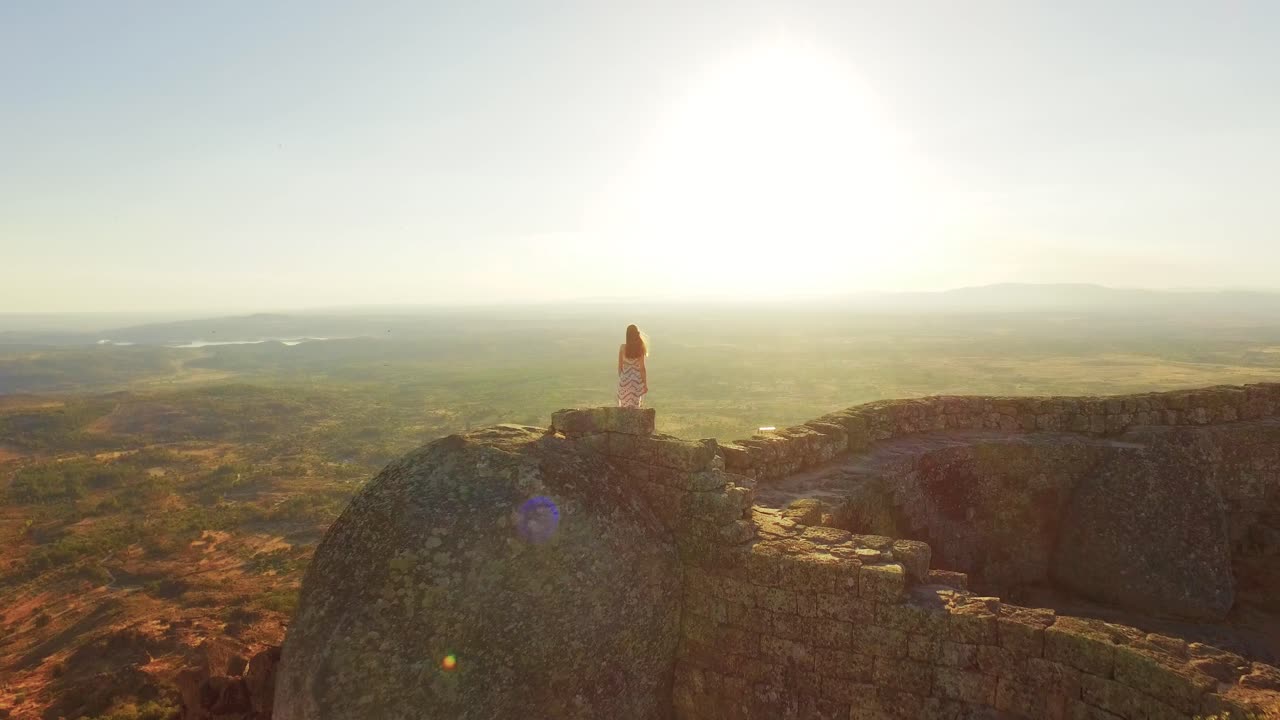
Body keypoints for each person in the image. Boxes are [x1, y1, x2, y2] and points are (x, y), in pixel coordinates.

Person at [617, 324, 648, 408]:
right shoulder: (640, 349)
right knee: (635, 411)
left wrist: (622, 380)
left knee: (623, 411)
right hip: (636, 383)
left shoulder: (622, 348)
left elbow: (620, 368)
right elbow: (642, 368)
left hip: (624, 382)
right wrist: (645, 384)